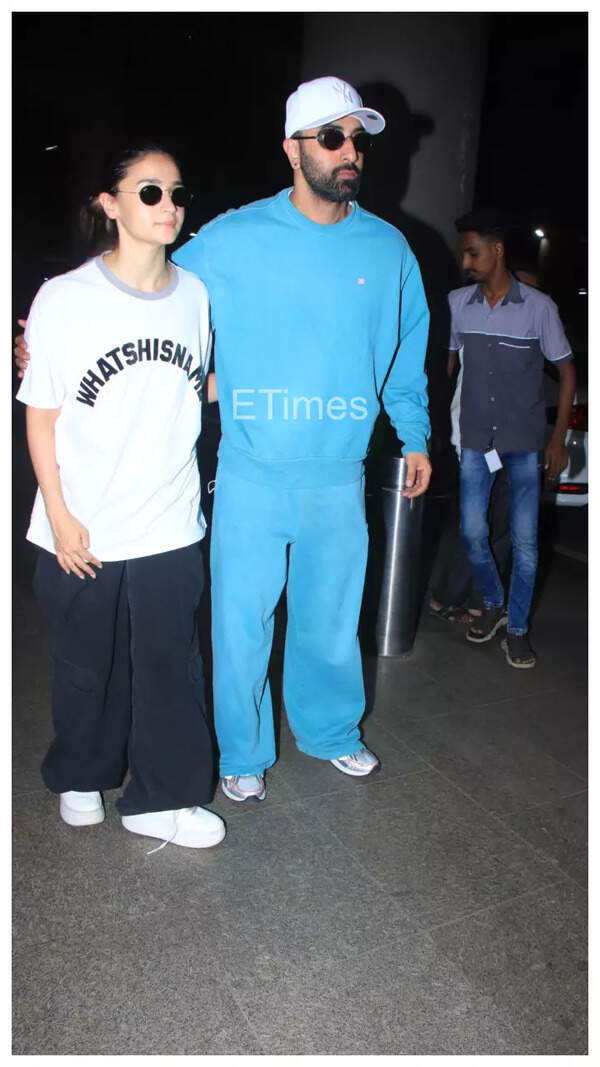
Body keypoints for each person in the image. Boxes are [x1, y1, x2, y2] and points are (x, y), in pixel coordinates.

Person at [16, 77, 432, 805]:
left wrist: (417, 434)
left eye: (357, 140)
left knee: (333, 619)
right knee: (240, 624)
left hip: (339, 472)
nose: (349, 153)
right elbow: (146, 285)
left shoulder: (390, 249)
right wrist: (44, 342)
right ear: (292, 149)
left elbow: (405, 351)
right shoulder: (234, 238)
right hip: (250, 471)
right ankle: (242, 749)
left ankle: (332, 730)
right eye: (331, 138)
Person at [15, 144, 225, 850]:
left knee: (173, 663)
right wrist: (62, 515)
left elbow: (193, 387)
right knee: (86, 663)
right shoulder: (67, 298)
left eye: (176, 192)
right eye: (149, 192)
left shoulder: (195, 295)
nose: (168, 205)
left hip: (169, 520)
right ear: (110, 203)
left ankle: (160, 798)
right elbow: (39, 412)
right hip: (86, 523)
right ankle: (81, 771)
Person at [448, 209, 576, 668]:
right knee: (472, 531)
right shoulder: (457, 304)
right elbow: (448, 370)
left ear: (497, 251)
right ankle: (494, 601)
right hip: (475, 438)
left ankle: (516, 629)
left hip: (523, 440)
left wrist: (557, 439)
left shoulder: (539, 308)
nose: (467, 262)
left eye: (473, 252)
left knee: (524, 542)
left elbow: (566, 373)